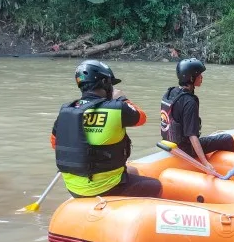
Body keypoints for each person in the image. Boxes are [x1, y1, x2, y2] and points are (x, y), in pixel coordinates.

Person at [51, 60, 162, 198]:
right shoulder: (117, 108)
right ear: (105, 83)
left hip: (73, 187)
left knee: (133, 171)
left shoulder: (66, 111)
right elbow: (141, 118)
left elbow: (55, 144)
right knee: (156, 186)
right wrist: (122, 98)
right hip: (105, 187)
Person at [160, 58, 234, 170]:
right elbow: (192, 135)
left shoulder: (170, 93)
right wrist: (205, 164)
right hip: (185, 148)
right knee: (227, 139)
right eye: (199, 75)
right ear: (191, 78)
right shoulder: (189, 102)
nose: (202, 77)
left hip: (169, 142)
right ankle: (229, 168)